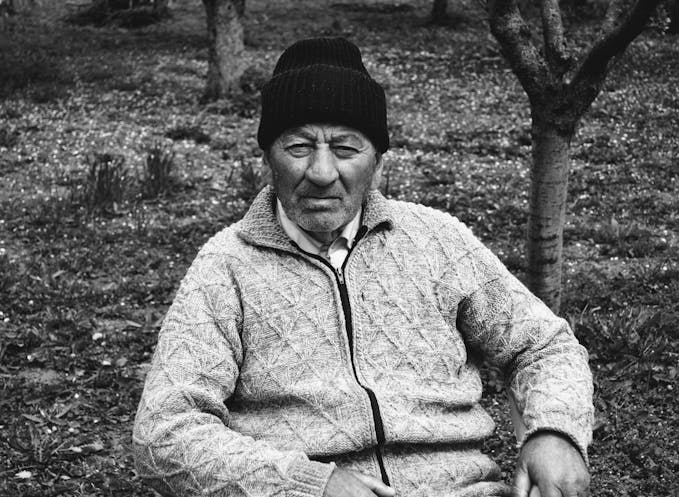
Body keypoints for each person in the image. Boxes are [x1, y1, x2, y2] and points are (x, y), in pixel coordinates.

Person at [133, 37, 594, 497]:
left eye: (345, 148)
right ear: (267, 154)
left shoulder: (435, 239)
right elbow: (165, 432)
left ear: (377, 158)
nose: (321, 171)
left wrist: (553, 431)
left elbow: (544, 346)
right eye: (298, 146)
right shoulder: (226, 266)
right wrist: (310, 485)